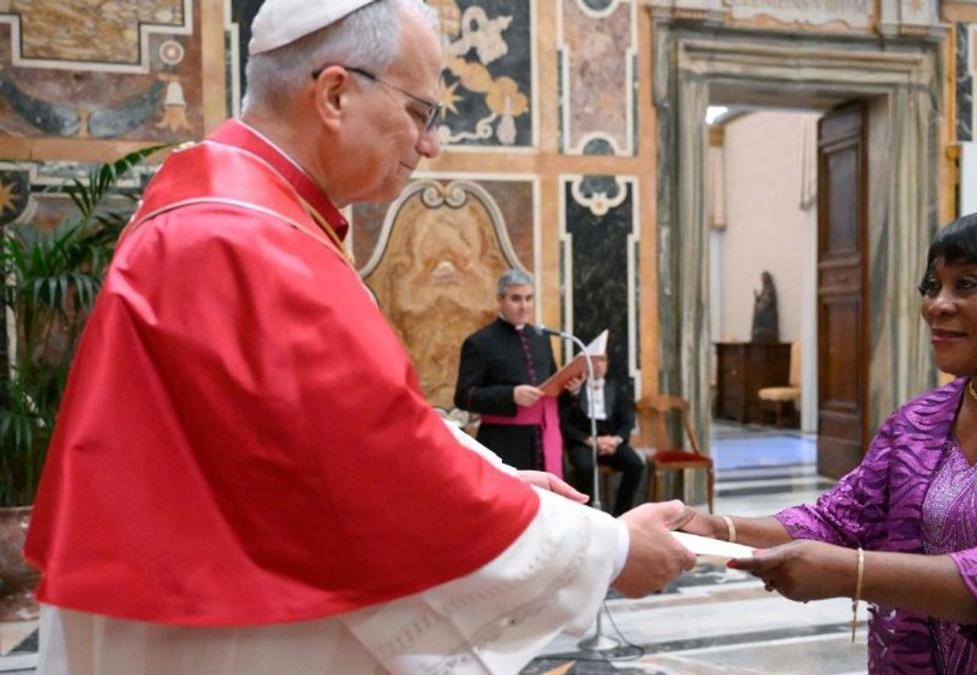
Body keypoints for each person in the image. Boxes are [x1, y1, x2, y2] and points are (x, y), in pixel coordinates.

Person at [25, 2, 695, 673]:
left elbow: (345, 430)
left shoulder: (232, 202)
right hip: (213, 638)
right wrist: (607, 550)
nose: (429, 144)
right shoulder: (247, 236)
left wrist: (500, 482)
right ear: (336, 94)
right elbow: (382, 466)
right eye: (419, 112)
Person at [679, 205, 977, 672]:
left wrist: (853, 573)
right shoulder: (921, 419)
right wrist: (720, 530)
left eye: (965, 284)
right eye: (932, 286)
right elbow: (840, 519)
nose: (936, 304)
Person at [455, 269, 583, 475]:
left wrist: (572, 390)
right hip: (503, 442)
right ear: (500, 299)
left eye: (529, 299)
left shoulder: (541, 338)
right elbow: (464, 396)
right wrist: (510, 395)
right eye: (516, 299)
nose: (524, 307)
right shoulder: (479, 342)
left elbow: (553, 387)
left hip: (545, 439)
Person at [560, 356, 646, 515]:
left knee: (636, 465)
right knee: (585, 466)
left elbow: (627, 421)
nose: (598, 365)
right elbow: (565, 424)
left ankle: (621, 513)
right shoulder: (573, 389)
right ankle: (590, 514)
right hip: (584, 441)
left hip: (610, 440)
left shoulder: (616, 388)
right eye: (594, 361)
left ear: (607, 364)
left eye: (603, 361)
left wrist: (615, 440)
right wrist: (589, 440)